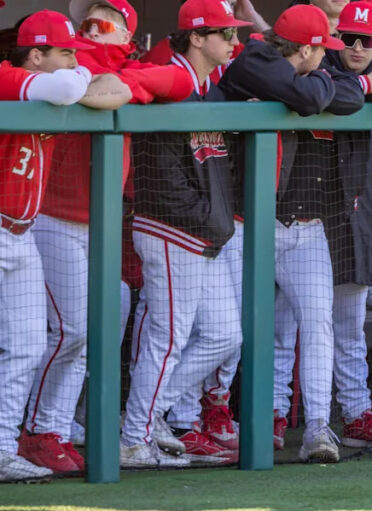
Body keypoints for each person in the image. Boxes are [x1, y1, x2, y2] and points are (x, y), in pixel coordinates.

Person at [215, 3, 366, 463]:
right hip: (245, 221)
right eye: (325, 50)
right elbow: (309, 98)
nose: (333, 56)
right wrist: (321, 87)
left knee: (316, 325)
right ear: (305, 48)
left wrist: (331, 84)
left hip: (304, 224)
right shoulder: (255, 61)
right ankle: (200, 416)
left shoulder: (302, 72)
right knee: (226, 330)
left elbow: (348, 97)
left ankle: (318, 425)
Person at [272, 1, 372, 449]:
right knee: (282, 328)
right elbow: (331, 91)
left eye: (367, 40)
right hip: (297, 212)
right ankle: (277, 413)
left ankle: (354, 410)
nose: (356, 48)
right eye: (349, 39)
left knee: (347, 325)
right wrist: (366, 85)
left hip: (353, 218)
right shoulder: (322, 65)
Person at [120, 0, 253, 468]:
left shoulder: (208, 89)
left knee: (224, 334)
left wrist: (213, 221)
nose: (234, 42)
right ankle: (134, 437)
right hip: (170, 230)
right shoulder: (167, 80)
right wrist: (207, 218)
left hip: (202, 233)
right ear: (197, 37)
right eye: (225, 34)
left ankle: (146, 415)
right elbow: (161, 177)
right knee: (168, 336)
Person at [1, 10, 129, 481]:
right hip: (8, 227)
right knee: (32, 340)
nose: (76, 60)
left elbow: (119, 91)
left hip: (20, 232)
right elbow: (67, 89)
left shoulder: (47, 84)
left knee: (28, 344)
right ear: (36, 54)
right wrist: (79, 76)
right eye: (65, 52)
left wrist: (80, 75)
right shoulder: (8, 76)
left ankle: (7, 443)